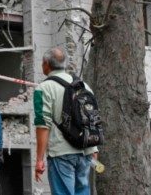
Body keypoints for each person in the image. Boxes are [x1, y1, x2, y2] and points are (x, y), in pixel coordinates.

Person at [33, 47, 98, 195]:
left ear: (46, 64)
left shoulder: (43, 88)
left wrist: (39, 160)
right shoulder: (84, 86)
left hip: (61, 153)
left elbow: (43, 125)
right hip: (85, 151)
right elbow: (92, 119)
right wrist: (94, 150)